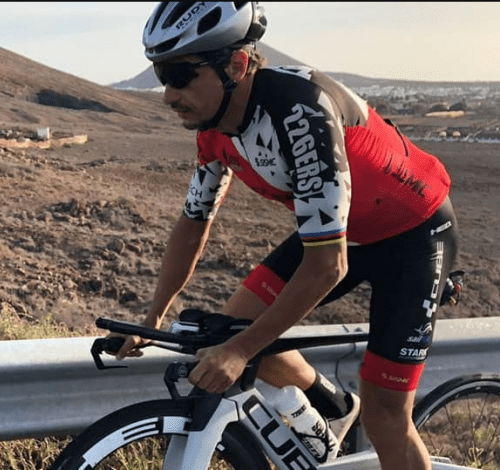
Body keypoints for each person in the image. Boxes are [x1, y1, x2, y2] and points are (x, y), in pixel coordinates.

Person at [113, 3, 459, 470]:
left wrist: (240, 351)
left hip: (414, 237)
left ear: (236, 65)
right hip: (344, 232)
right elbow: (194, 222)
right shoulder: (215, 128)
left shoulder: (300, 111)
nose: (168, 95)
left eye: (180, 75)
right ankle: (332, 406)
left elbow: (327, 267)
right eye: (160, 74)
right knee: (228, 330)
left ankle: (359, 413)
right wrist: (154, 317)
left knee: (385, 416)